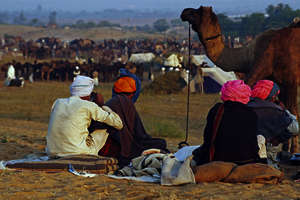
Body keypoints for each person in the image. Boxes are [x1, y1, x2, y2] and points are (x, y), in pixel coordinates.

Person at [91, 76, 168, 167]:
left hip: (106, 145)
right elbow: (140, 133)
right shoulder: (127, 102)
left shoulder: (109, 103)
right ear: (132, 94)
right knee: (161, 143)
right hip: (123, 148)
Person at [46, 75, 123, 157]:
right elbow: (118, 124)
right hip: (78, 152)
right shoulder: (88, 105)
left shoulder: (58, 102)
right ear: (88, 93)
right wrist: (103, 106)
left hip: (52, 152)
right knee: (105, 128)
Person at [192, 80, 265, 166]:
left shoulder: (217, 110)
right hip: (245, 161)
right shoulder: (251, 114)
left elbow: (208, 137)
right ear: (245, 95)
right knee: (261, 138)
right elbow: (252, 143)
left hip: (216, 158)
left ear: (225, 93)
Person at [247, 80, 299, 167]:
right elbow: (295, 129)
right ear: (273, 96)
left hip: (243, 158)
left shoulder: (245, 106)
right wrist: (286, 111)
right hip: (267, 162)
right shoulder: (276, 110)